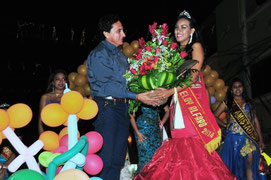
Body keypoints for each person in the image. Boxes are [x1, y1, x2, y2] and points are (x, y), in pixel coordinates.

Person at [133, 10, 236, 179]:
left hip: (193, 102)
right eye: (176, 27)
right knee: (178, 146)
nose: (178, 30)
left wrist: (168, 91)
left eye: (184, 27)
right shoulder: (171, 53)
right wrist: (158, 92)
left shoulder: (195, 47)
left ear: (192, 31)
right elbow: (168, 80)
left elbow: (193, 76)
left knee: (192, 147)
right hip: (177, 103)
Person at [86, 14, 159, 180]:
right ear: (106, 33)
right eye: (118, 31)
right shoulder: (99, 54)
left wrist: (155, 86)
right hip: (107, 109)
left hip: (122, 109)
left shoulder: (121, 56)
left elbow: (131, 82)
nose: (124, 34)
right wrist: (138, 96)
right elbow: (109, 86)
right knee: (107, 158)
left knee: (118, 159)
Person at [213, 78, 265, 180]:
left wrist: (261, 139)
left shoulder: (249, 103)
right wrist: (224, 124)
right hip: (233, 138)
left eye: (239, 86)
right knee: (235, 167)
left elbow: (255, 120)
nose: (237, 89)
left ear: (243, 88)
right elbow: (214, 116)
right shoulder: (228, 102)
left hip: (248, 137)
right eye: (235, 87)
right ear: (231, 90)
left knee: (250, 162)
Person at [130, 104, 169, 175]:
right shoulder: (140, 93)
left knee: (157, 158)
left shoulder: (159, 94)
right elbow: (131, 115)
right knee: (145, 159)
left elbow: (167, 111)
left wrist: (161, 123)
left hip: (156, 130)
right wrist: (137, 131)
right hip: (143, 130)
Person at [38, 69, 67, 135]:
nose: (61, 82)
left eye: (63, 79)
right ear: (53, 82)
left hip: (65, 132)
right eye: (57, 79)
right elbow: (40, 119)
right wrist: (42, 136)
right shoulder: (45, 97)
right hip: (49, 132)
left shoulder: (68, 97)